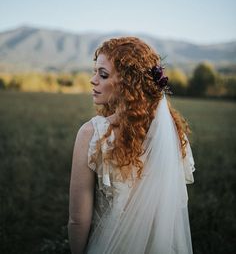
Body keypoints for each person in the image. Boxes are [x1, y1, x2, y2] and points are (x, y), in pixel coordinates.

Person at [68, 36, 195, 254]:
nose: (93, 80)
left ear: (128, 83)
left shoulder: (92, 134)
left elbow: (78, 220)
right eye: (95, 71)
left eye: (103, 74)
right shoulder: (172, 133)